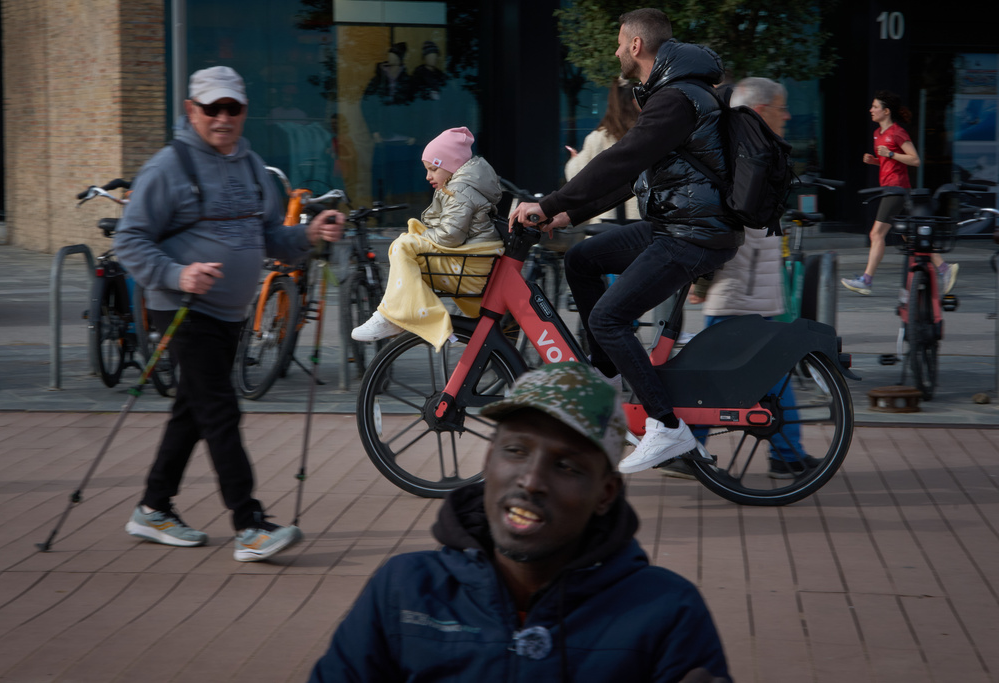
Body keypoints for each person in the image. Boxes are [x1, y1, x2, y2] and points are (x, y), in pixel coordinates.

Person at [308, 362, 732, 683]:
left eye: (566, 466)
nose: (531, 481)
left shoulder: (666, 614)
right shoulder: (404, 592)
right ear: (488, 459)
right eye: (515, 450)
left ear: (605, 493)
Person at [113, 66, 345, 562]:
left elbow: (268, 238)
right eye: (211, 108)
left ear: (243, 111)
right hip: (183, 310)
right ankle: (249, 524)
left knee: (193, 411)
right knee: (220, 412)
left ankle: (153, 507)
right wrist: (179, 275)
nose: (223, 118)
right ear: (191, 110)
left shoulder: (252, 166)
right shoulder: (167, 168)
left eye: (232, 108)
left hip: (229, 313)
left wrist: (308, 236)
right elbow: (128, 241)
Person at [510, 8, 742, 475]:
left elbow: (620, 159)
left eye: (619, 42)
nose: (616, 50)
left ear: (636, 46)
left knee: (609, 317)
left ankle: (666, 427)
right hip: (676, 223)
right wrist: (567, 213)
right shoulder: (675, 93)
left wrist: (548, 202)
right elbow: (634, 173)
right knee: (582, 259)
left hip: (694, 233)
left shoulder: (678, 98)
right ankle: (609, 372)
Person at [681, 77, 816, 480]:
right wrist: (701, 280)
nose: (788, 115)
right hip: (739, 290)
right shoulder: (742, 155)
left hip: (749, 289)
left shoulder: (750, 150)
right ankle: (693, 450)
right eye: (781, 107)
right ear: (759, 112)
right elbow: (721, 221)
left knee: (749, 374)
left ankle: (778, 453)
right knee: (739, 377)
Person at [351, 126, 504, 351]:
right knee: (410, 242)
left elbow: (449, 236)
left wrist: (422, 236)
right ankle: (396, 312)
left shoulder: (460, 190)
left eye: (433, 168)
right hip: (473, 260)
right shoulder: (459, 186)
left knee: (404, 245)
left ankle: (395, 316)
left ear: (452, 166)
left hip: (471, 266)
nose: (428, 176)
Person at [841, 90, 958, 296]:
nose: (871, 110)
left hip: (897, 189)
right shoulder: (877, 134)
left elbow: (915, 160)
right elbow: (889, 161)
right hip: (889, 188)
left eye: (875, 107)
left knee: (876, 234)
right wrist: (876, 161)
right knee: (911, 236)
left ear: (886, 111)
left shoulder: (897, 132)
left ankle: (866, 280)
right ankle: (945, 268)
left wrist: (892, 153)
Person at [564, 78, 641, 225]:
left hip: (605, 221)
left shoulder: (598, 138)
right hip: (641, 221)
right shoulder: (648, 134)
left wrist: (574, 160)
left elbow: (576, 178)